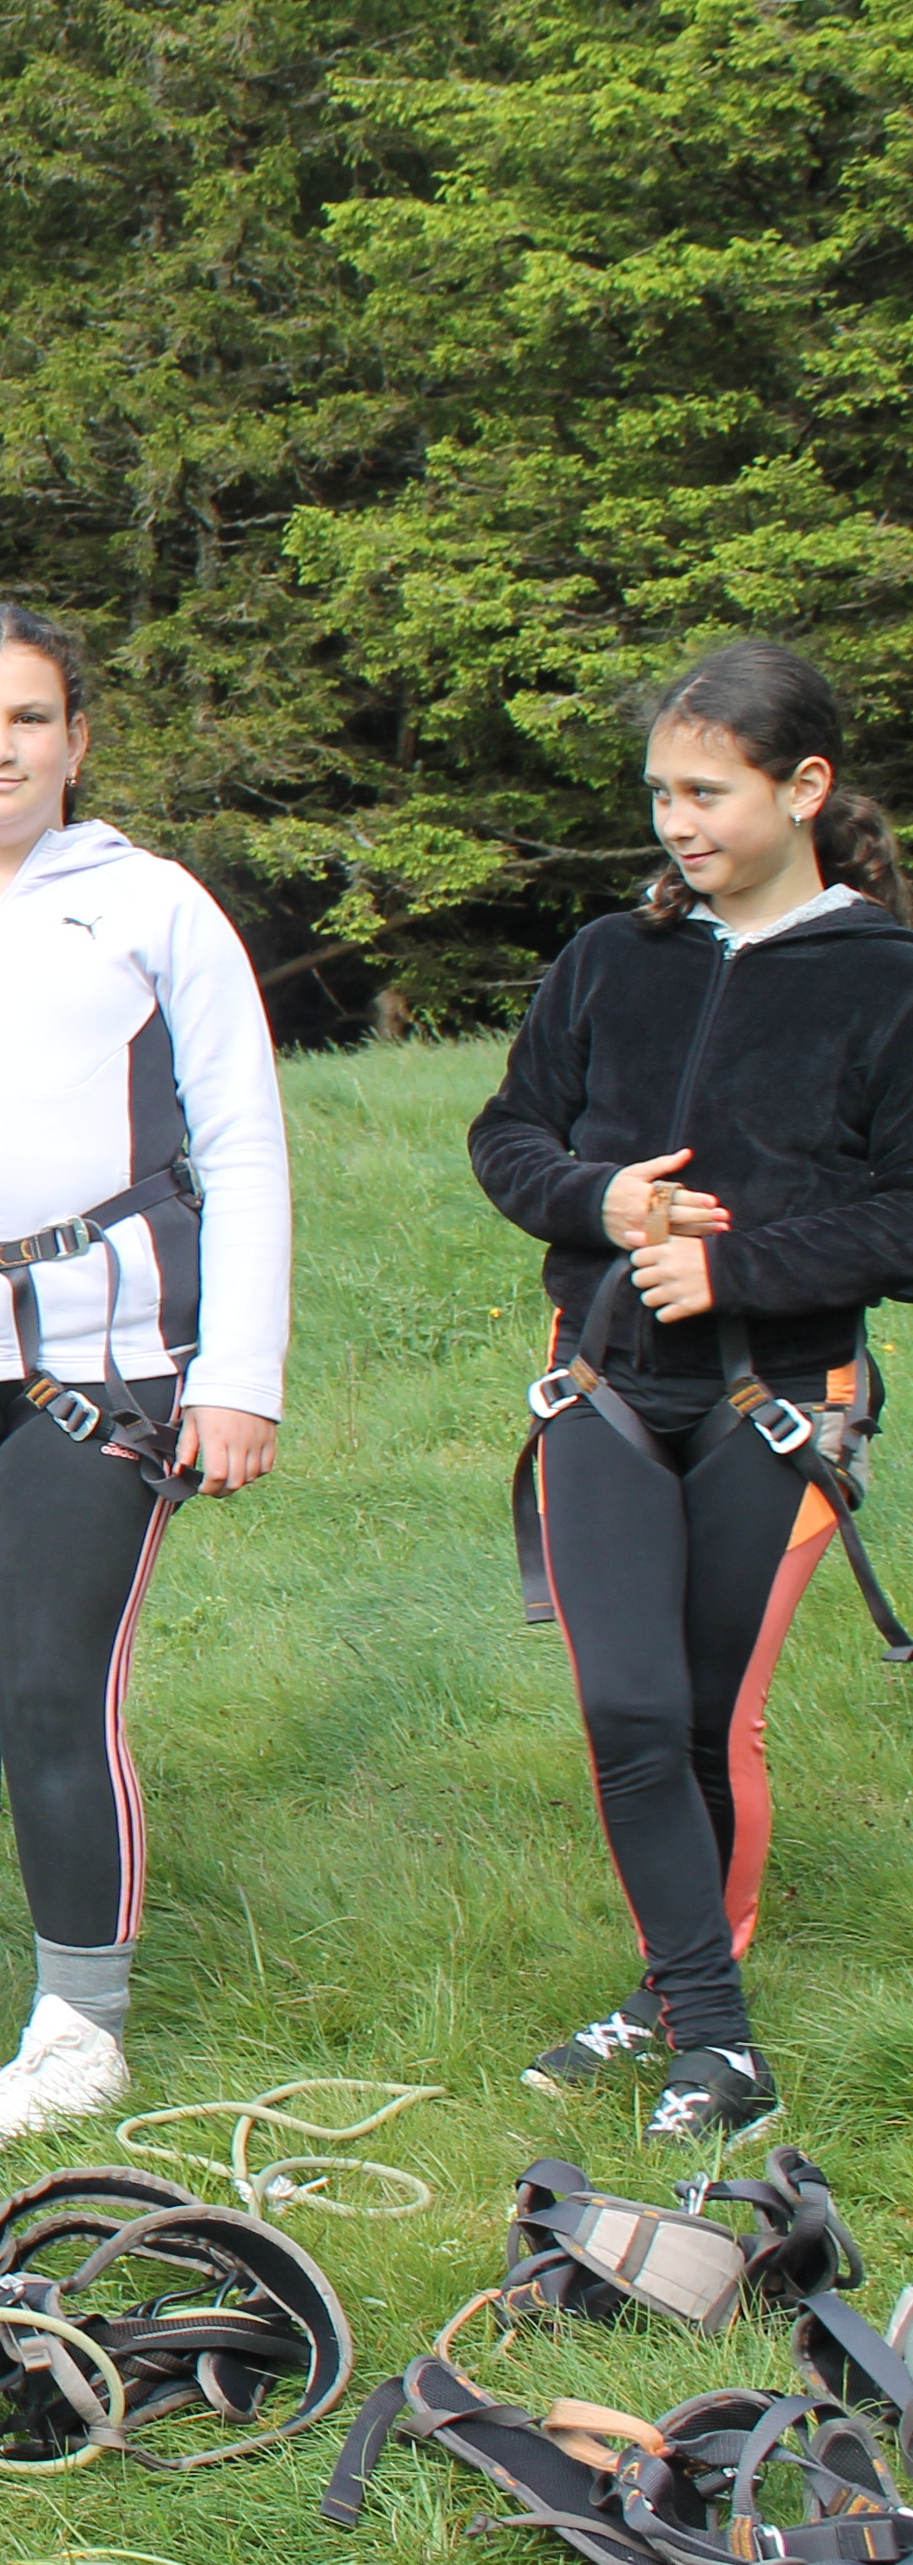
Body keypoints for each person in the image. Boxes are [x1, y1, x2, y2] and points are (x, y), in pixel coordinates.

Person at [0, 605, 291, 2151]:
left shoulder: (156, 908)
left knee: (51, 1688)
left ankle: (80, 2027)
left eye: (29, 718)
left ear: (78, 739)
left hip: (107, 1357)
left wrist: (240, 1374)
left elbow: (244, 1139)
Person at [471, 639, 913, 2145]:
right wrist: (597, 1201)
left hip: (776, 1404)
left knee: (714, 1717)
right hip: (601, 1384)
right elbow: (508, 1135)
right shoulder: (611, 958)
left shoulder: (887, 983)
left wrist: (739, 1270)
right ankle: (713, 2034)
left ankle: (679, 2005)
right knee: (630, 1707)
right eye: (662, 793)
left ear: (806, 788)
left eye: (708, 793)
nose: (678, 822)